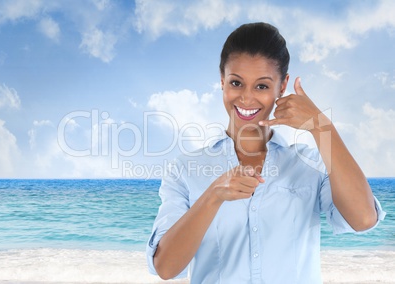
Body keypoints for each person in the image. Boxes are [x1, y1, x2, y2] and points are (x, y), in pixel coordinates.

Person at [146, 22, 386, 283]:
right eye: (236, 83)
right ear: (222, 80)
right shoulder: (185, 168)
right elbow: (166, 268)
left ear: (282, 86)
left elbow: (363, 219)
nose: (246, 99)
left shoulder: (311, 164)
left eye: (261, 86)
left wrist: (321, 127)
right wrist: (213, 196)